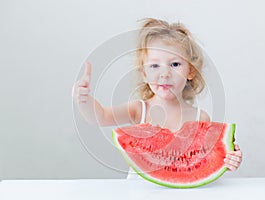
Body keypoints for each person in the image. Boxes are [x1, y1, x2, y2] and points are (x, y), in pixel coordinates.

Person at [72, 18, 242, 179]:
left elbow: (207, 159)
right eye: (154, 65)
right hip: (139, 192)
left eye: (175, 64)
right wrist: (84, 99)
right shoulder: (139, 109)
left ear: (190, 71)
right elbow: (100, 116)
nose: (165, 74)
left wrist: (228, 158)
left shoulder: (201, 118)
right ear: (144, 74)